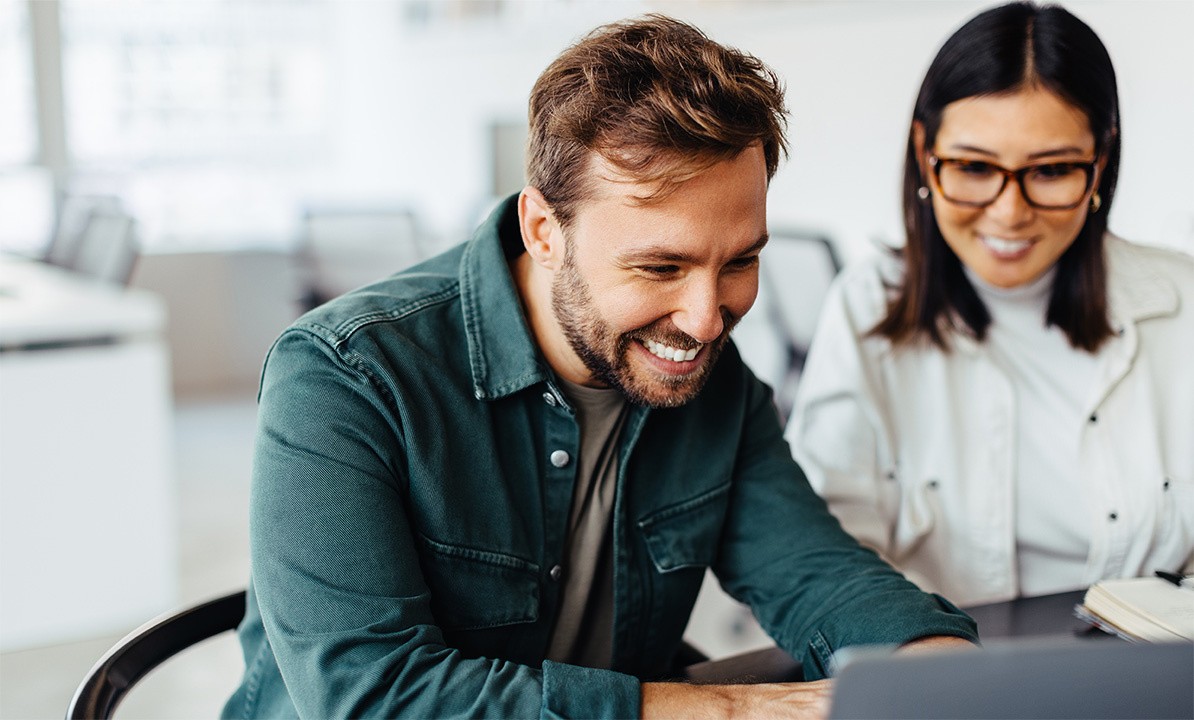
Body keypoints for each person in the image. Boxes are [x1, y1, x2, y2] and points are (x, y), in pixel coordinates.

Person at [222, 15, 978, 720]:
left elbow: (815, 571)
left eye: (741, 260)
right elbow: (373, 694)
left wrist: (937, 666)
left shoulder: (710, 373)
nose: (707, 319)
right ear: (544, 230)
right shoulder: (343, 378)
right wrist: (723, 708)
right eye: (660, 267)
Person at [785, 1, 1194, 608]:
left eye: (1051, 170)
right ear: (925, 152)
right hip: (943, 678)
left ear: (1100, 162)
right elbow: (824, 556)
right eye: (975, 167)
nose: (1009, 212)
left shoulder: (1183, 303)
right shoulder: (867, 306)